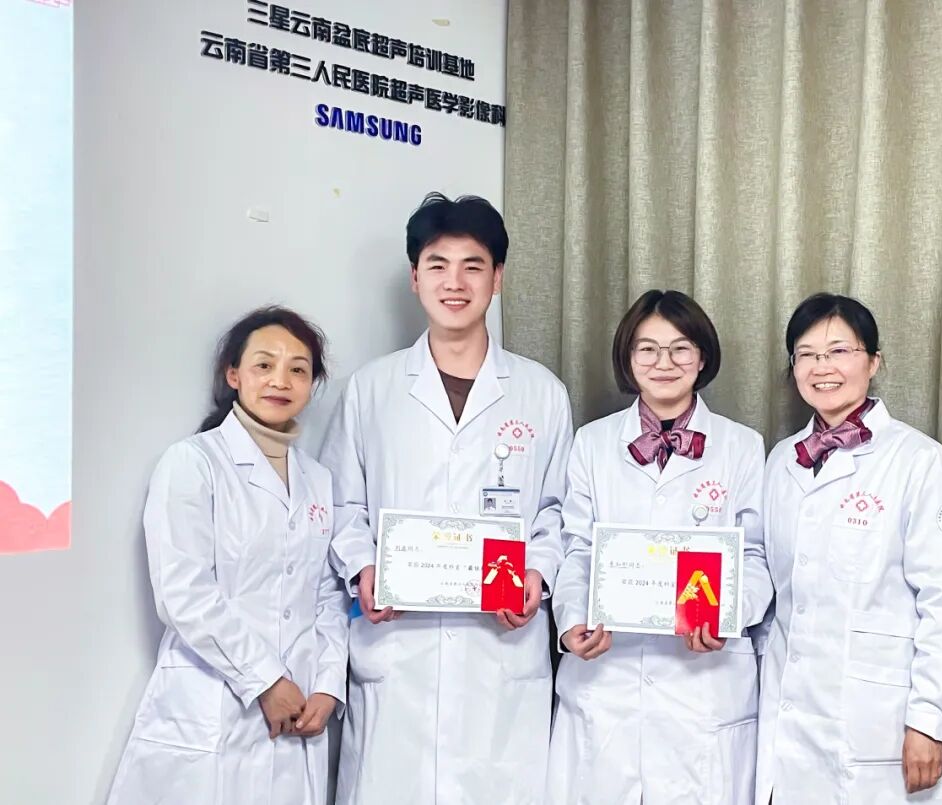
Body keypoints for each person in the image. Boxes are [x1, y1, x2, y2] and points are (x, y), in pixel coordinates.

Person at [320, 193, 574, 805]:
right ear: (415, 278)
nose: (454, 283)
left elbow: (558, 512)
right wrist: (363, 568)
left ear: (498, 278)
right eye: (437, 265)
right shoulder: (372, 390)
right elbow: (342, 506)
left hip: (500, 652)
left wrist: (538, 574)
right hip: (397, 651)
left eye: (472, 266)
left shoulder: (541, 392)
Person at [108, 307, 350, 805]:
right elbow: (183, 592)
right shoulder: (193, 463)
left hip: (299, 709)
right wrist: (265, 680)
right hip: (212, 704)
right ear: (233, 375)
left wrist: (328, 685)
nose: (280, 380)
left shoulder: (318, 480)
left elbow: (327, 594)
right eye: (264, 365)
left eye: (298, 369)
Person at [755, 293, 942, 804]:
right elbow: (775, 593)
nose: (822, 367)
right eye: (807, 354)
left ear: (873, 362)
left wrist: (928, 720)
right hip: (793, 722)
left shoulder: (920, 461)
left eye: (840, 351)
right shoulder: (781, 462)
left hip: (882, 723)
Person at [547, 289, 772, 804]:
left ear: (703, 357)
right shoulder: (592, 443)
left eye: (680, 349)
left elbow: (756, 557)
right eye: (647, 349)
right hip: (607, 681)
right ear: (628, 358)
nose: (664, 363)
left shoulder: (741, 446)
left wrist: (727, 614)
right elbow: (577, 549)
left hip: (703, 687)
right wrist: (572, 620)